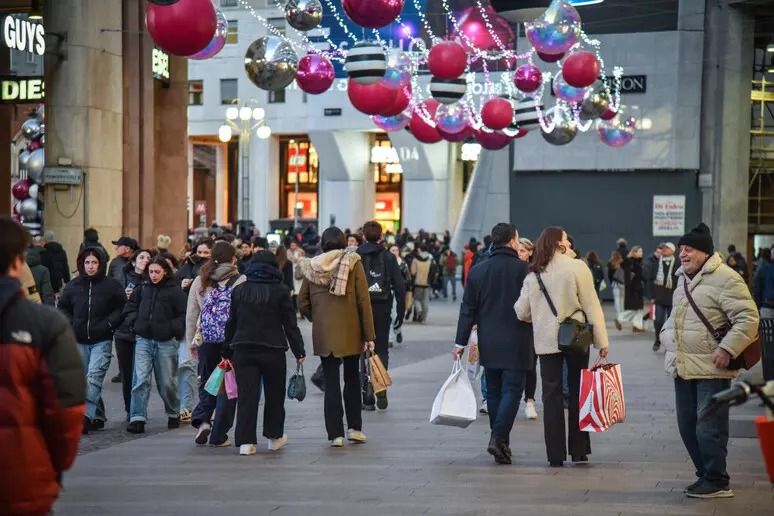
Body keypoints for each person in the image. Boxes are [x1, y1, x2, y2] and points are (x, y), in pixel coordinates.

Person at [661, 223, 759, 498]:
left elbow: (749, 318)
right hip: (683, 366)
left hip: (712, 368)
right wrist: (665, 334)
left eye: (688, 249)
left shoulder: (726, 278)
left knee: (709, 426)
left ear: (704, 252)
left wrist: (727, 349)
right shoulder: (682, 280)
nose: (683, 254)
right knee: (687, 425)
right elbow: (675, 318)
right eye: (681, 249)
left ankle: (717, 480)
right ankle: (704, 474)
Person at [0, 218, 85, 516]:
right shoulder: (44, 324)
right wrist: (53, 464)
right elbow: (65, 409)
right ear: (17, 262)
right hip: (19, 476)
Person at [515, 227, 609, 467]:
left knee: (551, 395)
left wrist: (541, 315)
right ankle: (579, 450)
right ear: (560, 244)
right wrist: (602, 341)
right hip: (576, 336)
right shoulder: (577, 267)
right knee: (578, 391)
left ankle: (554, 454)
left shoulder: (534, 274)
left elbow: (521, 311)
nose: (570, 243)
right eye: (566, 239)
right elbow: (592, 306)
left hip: (546, 341)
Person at [454, 223, 534, 465]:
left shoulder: (478, 271)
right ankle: (498, 438)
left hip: (489, 339)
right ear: (512, 241)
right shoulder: (526, 271)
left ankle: (501, 443)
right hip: (519, 338)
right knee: (512, 390)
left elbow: (467, 310)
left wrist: (460, 343)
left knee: (495, 391)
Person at [298, 227, 375, 447]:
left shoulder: (313, 266)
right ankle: (354, 428)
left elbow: (302, 301)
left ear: (322, 243)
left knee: (331, 383)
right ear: (343, 242)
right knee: (352, 379)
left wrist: (318, 317)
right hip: (351, 331)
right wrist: (369, 334)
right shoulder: (352, 262)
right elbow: (363, 300)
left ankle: (335, 435)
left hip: (324, 333)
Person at [225, 251, 306, 455]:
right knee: (274, 395)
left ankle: (246, 442)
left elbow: (231, 322)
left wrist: (226, 350)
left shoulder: (239, 290)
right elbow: (290, 325)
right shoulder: (281, 291)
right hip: (273, 349)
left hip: (243, 348)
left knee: (247, 396)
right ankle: (274, 437)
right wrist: (299, 350)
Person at [58, 247, 126, 432]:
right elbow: (63, 307)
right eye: (87, 262)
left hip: (101, 339)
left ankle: (84, 417)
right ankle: (97, 414)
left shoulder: (111, 285)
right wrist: (71, 324)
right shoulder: (73, 286)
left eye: (94, 262)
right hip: (79, 340)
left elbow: (121, 308)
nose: (90, 266)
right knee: (84, 379)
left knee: (94, 377)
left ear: (100, 264)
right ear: (81, 264)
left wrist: (109, 324)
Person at [187, 241, 245, 446]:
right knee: (227, 385)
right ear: (233, 259)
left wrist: (192, 343)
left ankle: (203, 420)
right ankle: (219, 433)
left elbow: (192, 315)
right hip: (230, 341)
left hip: (206, 340)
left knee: (206, 380)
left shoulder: (201, 279)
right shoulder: (240, 280)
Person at [123, 256, 187, 434]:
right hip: (143, 339)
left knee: (167, 382)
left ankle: (174, 411)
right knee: (141, 379)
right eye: (151, 271)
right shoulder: (142, 288)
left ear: (165, 271)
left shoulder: (175, 292)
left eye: (157, 272)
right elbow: (130, 308)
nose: (153, 275)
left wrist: (170, 328)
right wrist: (135, 323)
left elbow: (183, 316)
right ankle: (137, 417)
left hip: (166, 341)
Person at [356, 221, 406, 410]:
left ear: (363, 236)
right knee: (381, 349)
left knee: (363, 350)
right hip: (383, 307)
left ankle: (367, 396)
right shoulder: (388, 257)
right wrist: (401, 312)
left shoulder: (357, 256)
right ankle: (380, 388)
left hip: (361, 309)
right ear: (381, 237)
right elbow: (400, 287)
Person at [112, 249, 152, 411]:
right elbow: (113, 303)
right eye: (141, 257)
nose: (145, 260)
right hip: (123, 331)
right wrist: (123, 296)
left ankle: (138, 410)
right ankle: (130, 408)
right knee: (127, 374)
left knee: (142, 375)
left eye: (148, 258)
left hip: (144, 332)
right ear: (134, 262)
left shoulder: (153, 280)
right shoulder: (121, 279)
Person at [516, 237, 539, 421]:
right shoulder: (513, 270)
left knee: (531, 364)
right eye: (518, 250)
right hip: (515, 322)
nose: (519, 254)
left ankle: (530, 400)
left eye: (523, 250)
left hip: (532, 323)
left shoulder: (536, 272)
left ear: (531, 252)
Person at [651, 242, 678, 351]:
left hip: (673, 298)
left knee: (671, 324)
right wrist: (652, 295)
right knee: (658, 321)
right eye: (663, 248)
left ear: (673, 250)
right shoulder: (656, 263)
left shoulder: (679, 263)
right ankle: (657, 339)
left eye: (667, 248)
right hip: (659, 297)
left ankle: (668, 343)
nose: (664, 250)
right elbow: (650, 279)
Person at [617, 246, 646, 333]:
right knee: (634, 309)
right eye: (640, 252)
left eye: (642, 251)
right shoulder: (631, 263)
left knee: (638, 309)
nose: (641, 253)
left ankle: (637, 326)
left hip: (636, 289)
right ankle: (620, 319)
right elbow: (631, 278)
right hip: (634, 289)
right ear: (634, 252)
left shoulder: (636, 262)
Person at [390, 244, 412, 344]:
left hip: (399, 293)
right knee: (390, 315)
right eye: (392, 250)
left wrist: (399, 282)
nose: (394, 252)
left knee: (397, 315)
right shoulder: (386, 263)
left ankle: (398, 330)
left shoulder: (403, 264)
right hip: (388, 292)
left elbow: (408, 279)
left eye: (396, 250)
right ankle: (389, 339)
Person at [410, 244, 436, 323]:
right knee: (425, 301)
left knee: (416, 299)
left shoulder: (415, 259)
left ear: (420, 249)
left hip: (418, 283)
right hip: (427, 283)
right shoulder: (430, 258)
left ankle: (419, 309)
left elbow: (413, 272)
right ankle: (424, 319)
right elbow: (434, 270)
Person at [42, 230, 71, 294]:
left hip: (48, 281)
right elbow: (65, 267)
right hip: (58, 281)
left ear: (45, 240)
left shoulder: (44, 252)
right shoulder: (61, 251)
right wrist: (67, 280)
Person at [608, 251, 625, 327]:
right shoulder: (622, 263)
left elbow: (609, 276)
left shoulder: (611, 263)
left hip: (615, 284)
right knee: (622, 300)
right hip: (622, 284)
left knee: (617, 300)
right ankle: (622, 314)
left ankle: (619, 315)